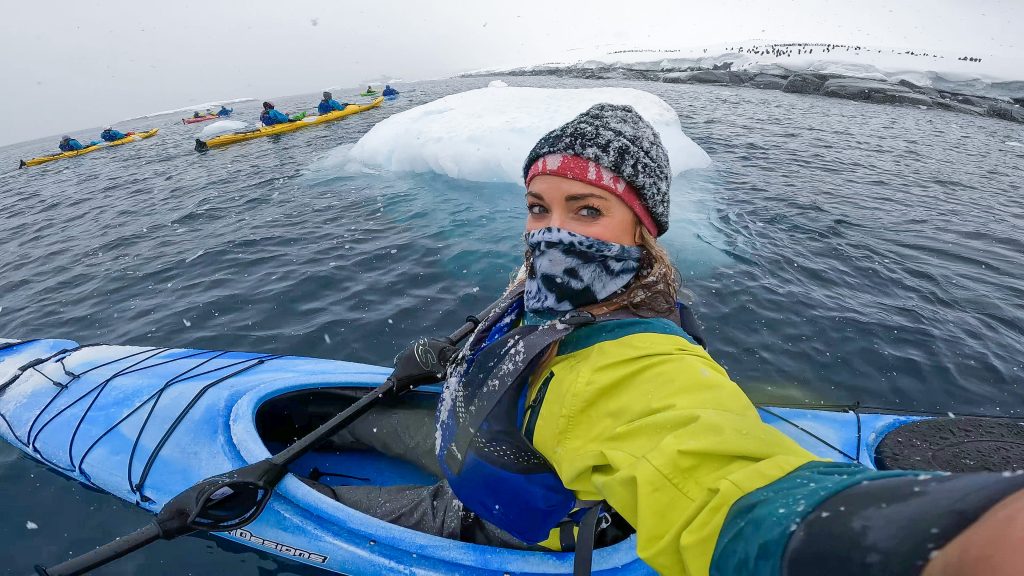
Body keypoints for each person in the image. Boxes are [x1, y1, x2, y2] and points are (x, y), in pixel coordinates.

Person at [304, 104, 1024, 576]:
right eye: (538, 206)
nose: (553, 231)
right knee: (339, 416)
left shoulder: (632, 359)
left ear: (640, 229)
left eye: (588, 209)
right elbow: (521, 329)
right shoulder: (556, 285)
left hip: (498, 519)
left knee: (305, 487)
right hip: (494, 442)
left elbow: (719, 482)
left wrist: (938, 545)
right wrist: (448, 352)